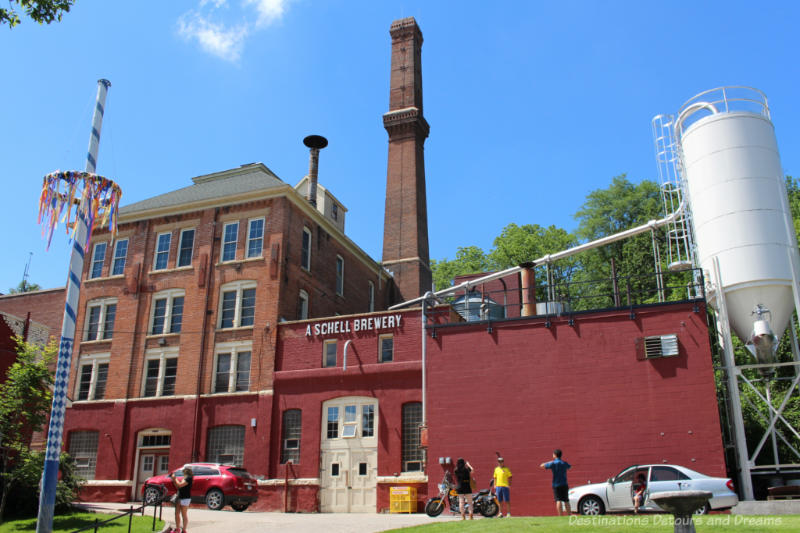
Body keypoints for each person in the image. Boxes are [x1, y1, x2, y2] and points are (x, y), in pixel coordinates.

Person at [540, 449, 571, 515]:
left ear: (555, 455)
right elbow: (569, 466)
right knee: (566, 500)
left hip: (556, 484)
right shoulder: (563, 463)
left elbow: (541, 465)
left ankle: (560, 515)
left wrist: (550, 461)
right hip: (564, 484)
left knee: (558, 500)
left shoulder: (553, 463)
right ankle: (569, 515)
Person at [170, 467, 193, 533]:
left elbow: (180, 485)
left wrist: (175, 478)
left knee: (181, 514)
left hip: (184, 498)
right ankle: (180, 529)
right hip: (182, 497)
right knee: (179, 514)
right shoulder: (185, 478)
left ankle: (182, 530)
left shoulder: (189, 478)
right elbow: (178, 486)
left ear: (186, 471)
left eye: (183, 471)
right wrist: (174, 480)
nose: (183, 473)